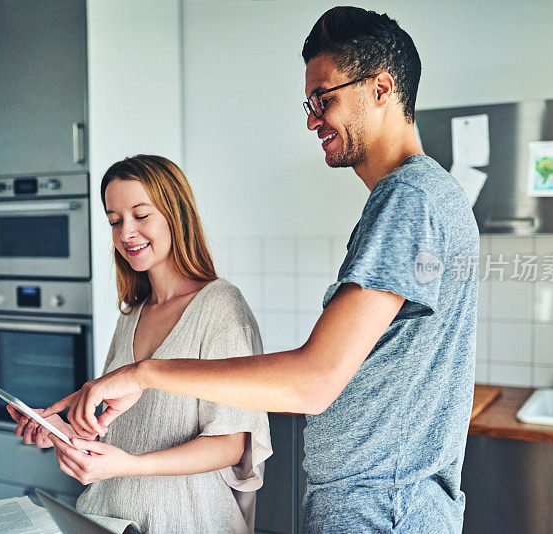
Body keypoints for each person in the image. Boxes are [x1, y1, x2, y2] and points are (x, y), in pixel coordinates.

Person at [47, 7, 478, 533]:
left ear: (381, 88)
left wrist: (145, 373)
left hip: (382, 509)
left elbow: (313, 383)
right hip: (386, 505)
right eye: (310, 103)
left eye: (325, 99)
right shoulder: (425, 197)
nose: (312, 119)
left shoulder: (409, 200)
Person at [8, 155, 272, 534]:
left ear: (175, 214)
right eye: (115, 221)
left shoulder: (221, 308)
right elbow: (113, 430)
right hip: (109, 518)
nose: (126, 233)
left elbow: (230, 445)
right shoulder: (132, 313)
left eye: (140, 215)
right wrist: (59, 431)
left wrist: (129, 465)